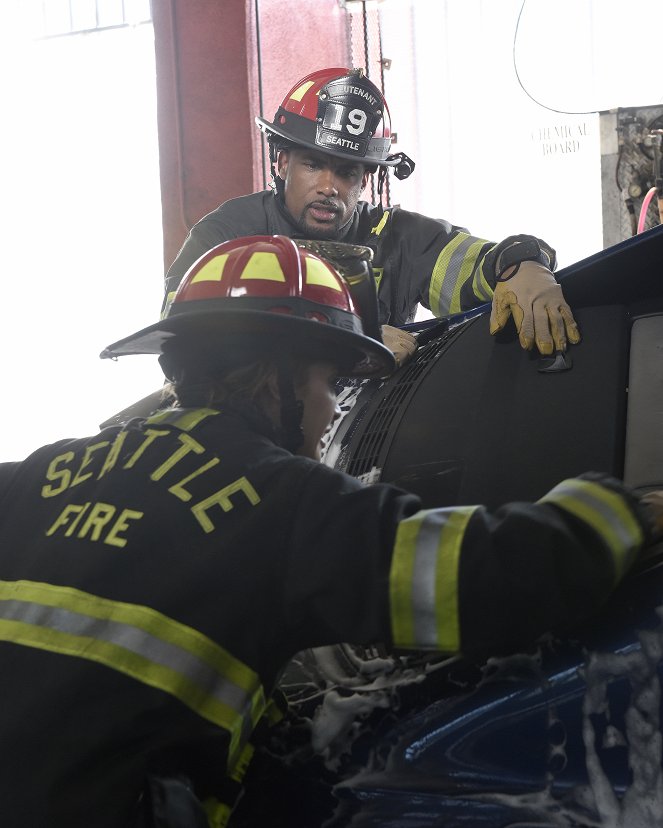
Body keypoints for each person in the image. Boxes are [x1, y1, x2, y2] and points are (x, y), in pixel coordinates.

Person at [0, 235, 657, 828]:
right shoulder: (279, 501)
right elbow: (489, 574)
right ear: (273, 380)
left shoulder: (43, 469)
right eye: (330, 384)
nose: (329, 411)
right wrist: (625, 509)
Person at [163, 67, 581, 364]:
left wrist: (524, 263)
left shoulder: (399, 238)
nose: (330, 187)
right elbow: (182, 335)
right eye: (313, 165)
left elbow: (475, 266)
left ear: (366, 178)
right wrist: (345, 339)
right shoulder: (228, 236)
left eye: (347, 171)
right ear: (282, 162)